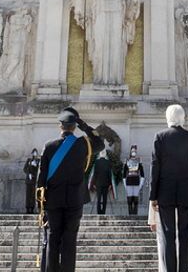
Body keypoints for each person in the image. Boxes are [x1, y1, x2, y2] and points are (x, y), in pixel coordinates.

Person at [39, 108, 94, 272]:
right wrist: (83, 124)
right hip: (74, 201)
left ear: (60, 126)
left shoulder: (49, 146)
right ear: (74, 126)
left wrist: (40, 206)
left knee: (53, 238)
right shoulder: (83, 145)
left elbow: (41, 178)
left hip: (53, 201)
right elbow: (99, 141)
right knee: (70, 240)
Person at [151, 103, 188, 272]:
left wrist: (153, 195)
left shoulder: (160, 137)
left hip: (165, 193)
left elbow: (155, 167)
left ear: (168, 118)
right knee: (185, 235)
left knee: (168, 235)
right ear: (183, 118)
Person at [90, 149, 115, 215]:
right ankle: (103, 212)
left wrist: (94, 183)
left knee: (98, 199)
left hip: (98, 183)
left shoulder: (97, 162)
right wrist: (110, 184)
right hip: (106, 183)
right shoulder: (108, 162)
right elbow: (109, 174)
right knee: (104, 199)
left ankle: (99, 212)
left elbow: (95, 173)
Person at [123, 146, 145, 216]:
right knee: (129, 200)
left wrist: (141, 184)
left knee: (135, 200)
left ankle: (135, 214)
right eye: (132, 151)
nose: (133, 152)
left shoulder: (139, 161)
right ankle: (130, 214)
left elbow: (142, 174)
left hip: (136, 183)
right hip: (129, 183)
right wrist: (124, 184)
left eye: (135, 151)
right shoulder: (127, 161)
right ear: (130, 152)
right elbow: (124, 174)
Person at [24, 150, 42, 215]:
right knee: (28, 195)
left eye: (36, 153)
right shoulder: (29, 160)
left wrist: (36, 166)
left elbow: (39, 169)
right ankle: (27, 208)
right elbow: (25, 169)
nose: (34, 154)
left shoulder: (38, 161)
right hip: (29, 180)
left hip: (35, 180)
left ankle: (32, 208)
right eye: (33, 152)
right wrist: (29, 174)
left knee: (33, 195)